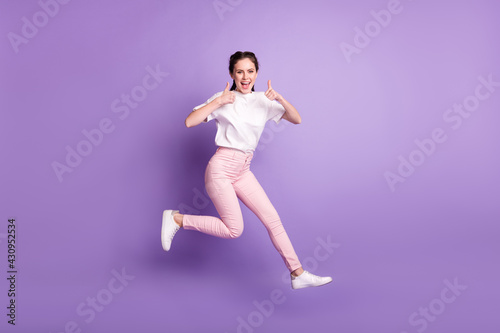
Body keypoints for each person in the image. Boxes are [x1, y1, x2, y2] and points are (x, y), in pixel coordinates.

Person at [161, 51, 332, 289]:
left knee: (273, 220)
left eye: (250, 71)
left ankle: (297, 273)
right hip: (221, 169)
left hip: (243, 170)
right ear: (232, 74)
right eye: (239, 71)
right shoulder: (223, 99)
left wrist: (280, 99)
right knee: (234, 230)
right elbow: (190, 121)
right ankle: (177, 219)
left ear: (256, 74)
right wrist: (218, 102)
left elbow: (297, 118)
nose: (245, 77)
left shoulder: (263, 100)